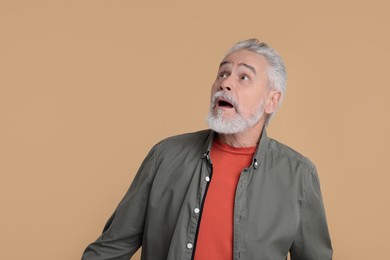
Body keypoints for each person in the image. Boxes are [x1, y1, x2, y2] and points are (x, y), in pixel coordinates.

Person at [82, 39, 333, 260]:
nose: (225, 83)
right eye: (223, 73)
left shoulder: (299, 175)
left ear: (272, 100)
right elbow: (111, 248)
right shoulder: (165, 155)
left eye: (243, 77)